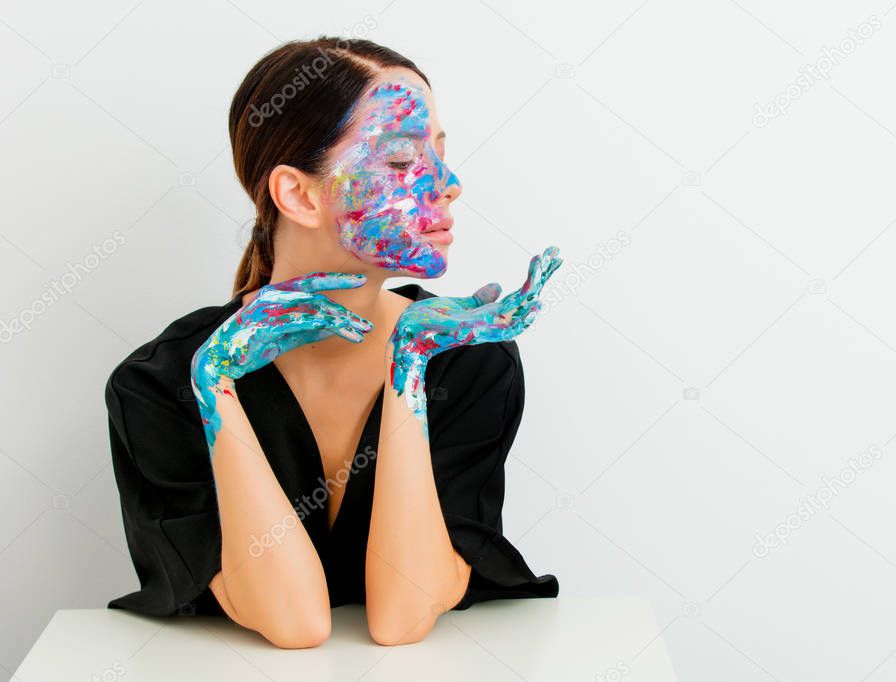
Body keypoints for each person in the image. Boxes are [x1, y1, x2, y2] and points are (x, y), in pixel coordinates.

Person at [104, 36, 562, 649]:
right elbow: (294, 624)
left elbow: (402, 617)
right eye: (401, 162)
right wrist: (213, 383)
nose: (448, 184)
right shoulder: (160, 385)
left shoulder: (468, 359)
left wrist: (411, 362)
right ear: (298, 194)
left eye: (441, 156)